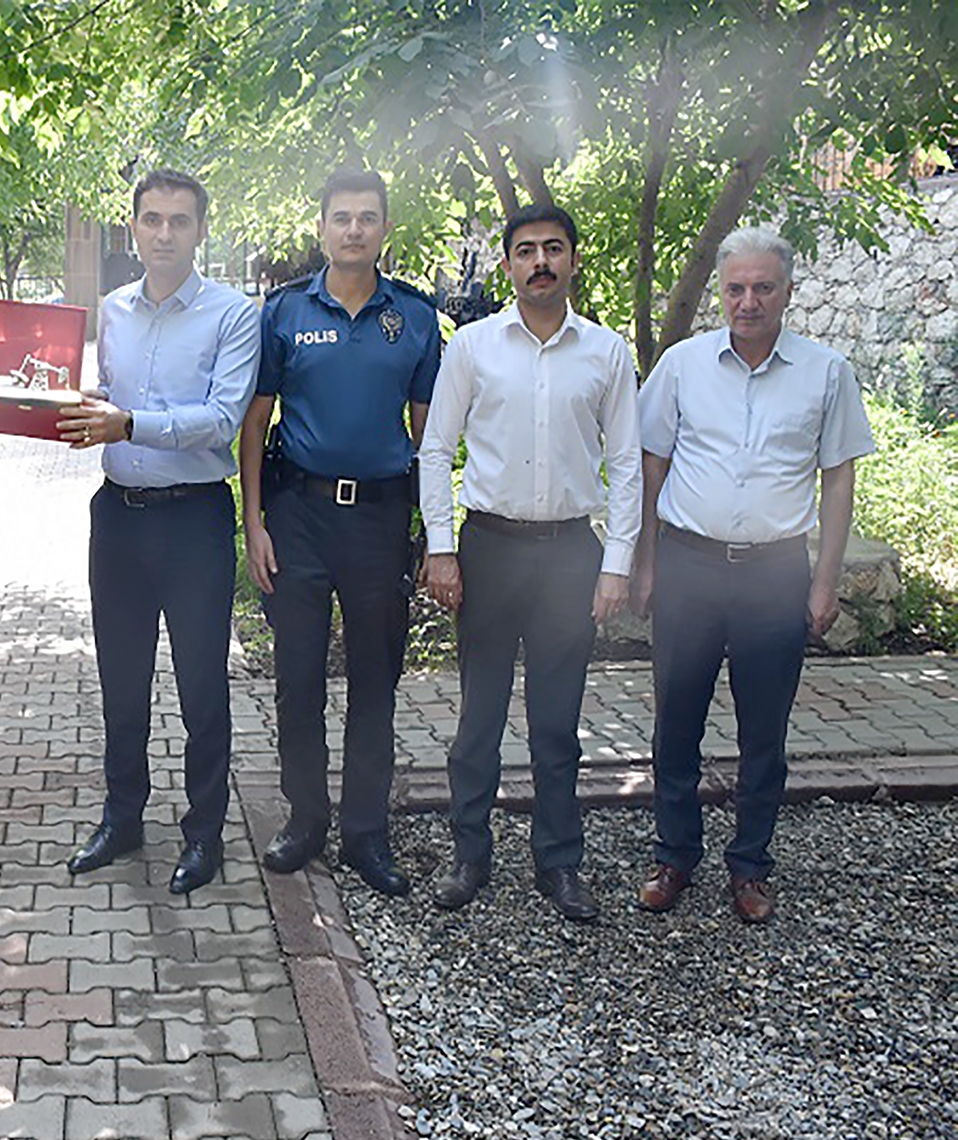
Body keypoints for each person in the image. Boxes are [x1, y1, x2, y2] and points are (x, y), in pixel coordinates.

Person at [631, 226, 873, 924]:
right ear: (720, 290)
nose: (747, 301)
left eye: (763, 287)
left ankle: (749, 867)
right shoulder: (681, 365)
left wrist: (824, 580)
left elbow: (837, 479)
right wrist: (645, 561)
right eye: (735, 288)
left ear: (787, 291)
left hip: (774, 573)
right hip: (689, 565)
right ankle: (674, 856)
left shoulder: (825, 372)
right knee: (676, 722)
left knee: (762, 732)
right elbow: (650, 465)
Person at [419, 203, 641, 922]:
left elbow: (625, 462)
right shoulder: (473, 347)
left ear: (572, 258)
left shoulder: (605, 352)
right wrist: (442, 547)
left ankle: (559, 862)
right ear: (508, 262)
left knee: (556, 723)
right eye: (525, 250)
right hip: (489, 549)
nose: (539, 261)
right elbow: (435, 448)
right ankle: (469, 854)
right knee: (478, 719)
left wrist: (616, 562)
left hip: (570, 554)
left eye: (552, 248)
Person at [239, 168, 439, 897]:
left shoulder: (414, 317)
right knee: (297, 678)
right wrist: (253, 522)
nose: (354, 229)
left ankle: (365, 831)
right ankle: (305, 818)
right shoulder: (285, 312)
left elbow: (430, 435)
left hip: (379, 520)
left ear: (385, 228)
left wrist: (432, 533)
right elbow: (255, 420)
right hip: (298, 515)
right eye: (341, 217)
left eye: (367, 217)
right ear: (321, 227)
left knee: (375, 681)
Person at [60, 168, 260, 895]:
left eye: (179, 221)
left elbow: (221, 419)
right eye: (152, 219)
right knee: (121, 680)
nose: (165, 233)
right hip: (117, 516)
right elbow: (112, 399)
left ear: (200, 229)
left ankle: (204, 832)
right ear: (134, 227)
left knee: (202, 685)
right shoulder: (112, 309)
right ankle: (123, 817)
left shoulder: (233, 314)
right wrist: (75, 407)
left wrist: (128, 424)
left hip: (193, 521)